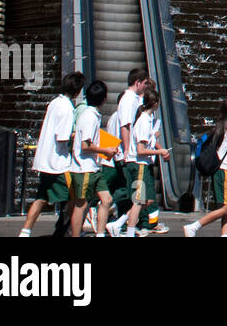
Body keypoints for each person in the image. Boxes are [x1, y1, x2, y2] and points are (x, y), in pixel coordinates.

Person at [18, 71, 85, 237]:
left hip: (45, 159)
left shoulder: (54, 102)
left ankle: (25, 232)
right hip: (59, 163)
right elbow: (62, 138)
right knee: (76, 198)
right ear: (77, 91)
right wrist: (77, 136)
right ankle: (67, 230)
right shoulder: (67, 109)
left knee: (41, 198)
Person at [184, 95, 227, 237]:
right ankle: (193, 227)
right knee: (226, 207)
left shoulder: (221, 125)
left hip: (221, 169)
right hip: (224, 170)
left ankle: (225, 234)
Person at [104, 69, 150, 237]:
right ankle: (119, 221)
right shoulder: (129, 100)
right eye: (145, 83)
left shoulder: (131, 100)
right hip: (127, 154)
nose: (145, 87)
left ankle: (123, 223)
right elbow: (126, 126)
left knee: (134, 192)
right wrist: (128, 150)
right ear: (137, 82)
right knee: (135, 193)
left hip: (128, 154)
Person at [119, 87, 170, 237]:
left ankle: (119, 223)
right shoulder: (143, 121)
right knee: (138, 201)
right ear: (155, 103)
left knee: (145, 200)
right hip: (140, 165)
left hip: (144, 165)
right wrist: (160, 152)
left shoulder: (146, 120)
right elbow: (141, 150)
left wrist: (154, 136)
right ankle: (129, 231)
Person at [68, 80, 116, 238]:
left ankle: (100, 233)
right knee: (81, 205)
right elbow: (85, 145)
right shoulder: (89, 117)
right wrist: (105, 150)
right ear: (104, 99)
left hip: (93, 167)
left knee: (107, 199)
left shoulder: (92, 115)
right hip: (84, 168)